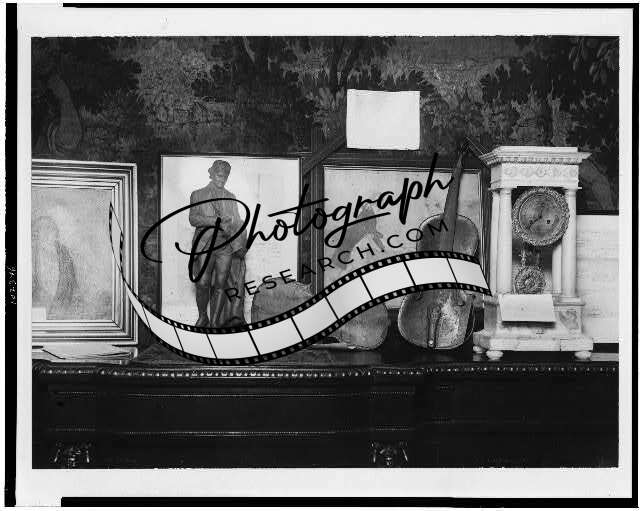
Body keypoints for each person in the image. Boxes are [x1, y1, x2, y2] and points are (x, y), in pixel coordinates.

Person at [189, 160, 247, 328]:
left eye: (225, 177)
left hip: (225, 247)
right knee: (202, 283)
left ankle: (214, 322)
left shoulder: (231, 197)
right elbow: (193, 219)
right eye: (219, 175)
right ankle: (203, 317)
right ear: (212, 174)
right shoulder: (197, 194)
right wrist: (215, 221)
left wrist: (234, 222)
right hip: (205, 245)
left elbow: (237, 220)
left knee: (220, 284)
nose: (222, 179)